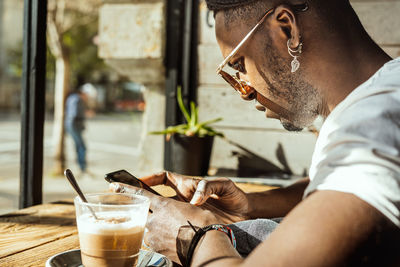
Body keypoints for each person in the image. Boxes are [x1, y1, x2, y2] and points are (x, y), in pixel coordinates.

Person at [110, 0, 400, 266]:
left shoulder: (374, 124)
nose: (244, 91)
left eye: (238, 65)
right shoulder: (383, 99)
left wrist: (195, 237)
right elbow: (339, 186)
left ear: (287, 28)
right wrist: (250, 208)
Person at [65, 88, 88, 174]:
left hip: (70, 125)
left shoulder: (71, 98)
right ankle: (82, 167)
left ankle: (80, 166)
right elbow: (74, 114)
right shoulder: (78, 100)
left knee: (78, 146)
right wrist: (86, 113)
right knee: (82, 147)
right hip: (75, 125)